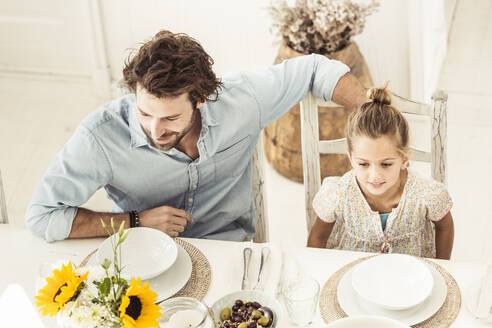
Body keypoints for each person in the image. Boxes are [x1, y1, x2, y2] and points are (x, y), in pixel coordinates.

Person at [26, 29, 367, 242]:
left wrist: (370, 115)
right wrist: (133, 221)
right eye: (144, 113)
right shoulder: (99, 137)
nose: (155, 130)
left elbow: (314, 68)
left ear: (201, 99)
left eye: (171, 118)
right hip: (146, 255)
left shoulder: (241, 99)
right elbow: (42, 217)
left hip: (231, 252)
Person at [307, 85, 454, 259]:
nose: (374, 175)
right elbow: (318, 237)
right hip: (353, 274)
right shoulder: (338, 194)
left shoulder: (426, 195)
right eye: (363, 164)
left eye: (385, 164)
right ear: (351, 157)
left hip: (410, 276)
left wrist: (442, 266)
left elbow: (445, 226)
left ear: (404, 159)